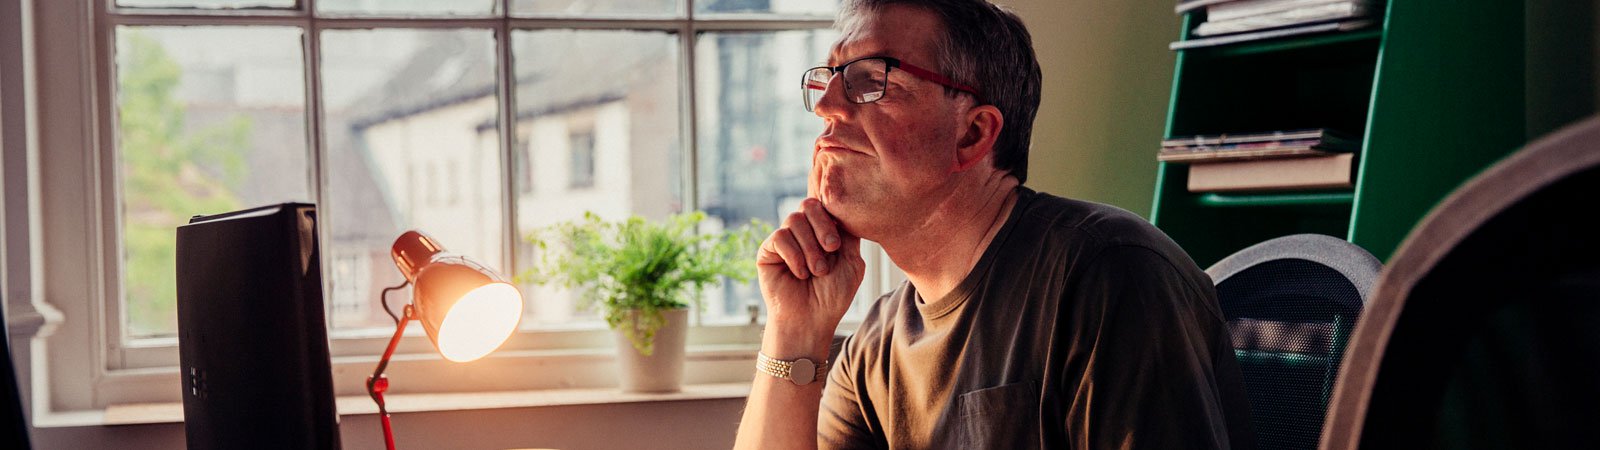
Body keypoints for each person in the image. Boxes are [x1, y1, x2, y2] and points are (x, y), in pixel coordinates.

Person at [733, 0, 1254, 448]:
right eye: (828, 81)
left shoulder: (1111, 275)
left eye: (871, 81)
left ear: (973, 134)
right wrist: (793, 333)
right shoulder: (875, 346)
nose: (825, 107)